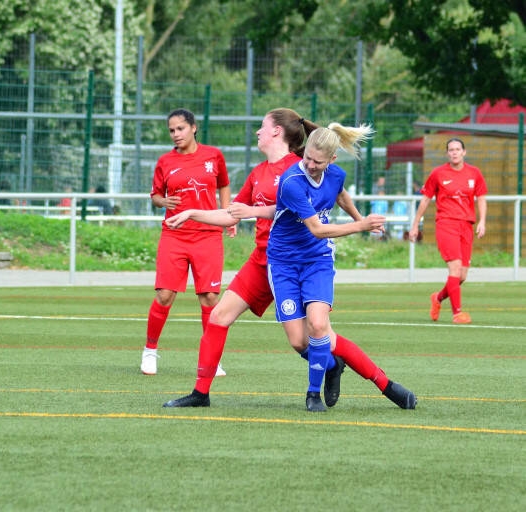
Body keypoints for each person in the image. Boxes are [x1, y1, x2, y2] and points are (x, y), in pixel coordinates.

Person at [162, 109, 416, 412]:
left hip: (301, 259)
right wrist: (193, 213)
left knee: (318, 335)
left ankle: (377, 381)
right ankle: (200, 393)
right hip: (267, 260)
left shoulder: (302, 167)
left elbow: (331, 196)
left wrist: (360, 221)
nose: (257, 132)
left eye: (262, 126)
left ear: (276, 132)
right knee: (219, 317)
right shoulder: (260, 172)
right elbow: (233, 213)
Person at [266, 122, 418, 412]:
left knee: (318, 325)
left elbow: (339, 194)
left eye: (317, 161)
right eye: (307, 158)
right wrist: (361, 225)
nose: (310, 165)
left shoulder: (335, 175)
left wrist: (360, 218)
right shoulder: (291, 182)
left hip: (317, 260)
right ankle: (332, 365)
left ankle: (315, 395)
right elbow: (317, 229)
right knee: (299, 341)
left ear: (332, 160)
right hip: (284, 263)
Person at [141, 108, 233, 376]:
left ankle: (211, 359)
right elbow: (155, 196)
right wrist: (163, 201)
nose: (175, 134)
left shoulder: (213, 155)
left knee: (210, 297)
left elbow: (223, 185)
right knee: (165, 294)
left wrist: (228, 215)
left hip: (208, 235)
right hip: (175, 235)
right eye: (171, 130)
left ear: (193, 127)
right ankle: (150, 351)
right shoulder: (165, 161)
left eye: (180, 128)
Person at [408, 138, 487, 324]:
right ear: (447, 154)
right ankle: (457, 314)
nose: (454, 152)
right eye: (451, 150)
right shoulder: (438, 173)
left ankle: (437, 298)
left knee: (462, 276)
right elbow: (425, 199)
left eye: (457, 149)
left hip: (466, 226)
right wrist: (415, 225)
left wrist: (482, 221)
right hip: (446, 224)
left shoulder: (474, 173)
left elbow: (482, 197)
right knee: (455, 268)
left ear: (464, 152)